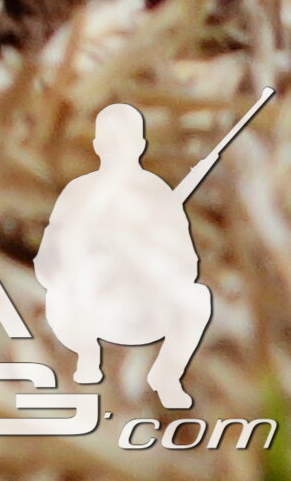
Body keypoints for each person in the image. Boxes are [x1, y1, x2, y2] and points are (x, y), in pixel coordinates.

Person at [37, 101, 215, 407]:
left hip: (145, 307)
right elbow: (47, 264)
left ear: (140, 144)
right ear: (96, 145)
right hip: (90, 307)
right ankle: (87, 358)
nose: (117, 149)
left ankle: (167, 376)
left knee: (198, 299)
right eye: (109, 140)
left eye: (125, 140)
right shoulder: (78, 192)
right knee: (60, 293)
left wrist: (149, 251)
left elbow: (187, 266)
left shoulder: (157, 193)